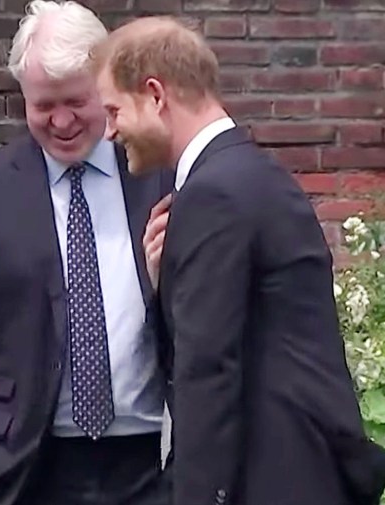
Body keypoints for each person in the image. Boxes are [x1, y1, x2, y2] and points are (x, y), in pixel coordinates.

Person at [90, 16, 385, 505]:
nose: (108, 132)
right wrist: (169, 281)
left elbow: (207, 369)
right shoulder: (249, 175)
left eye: (114, 111)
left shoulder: (215, 193)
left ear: (155, 95)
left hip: (272, 478)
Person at [0, 2, 174, 505]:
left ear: (106, 85)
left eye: (76, 102)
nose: (61, 121)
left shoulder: (159, 173)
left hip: (153, 463)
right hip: (26, 467)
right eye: (42, 105)